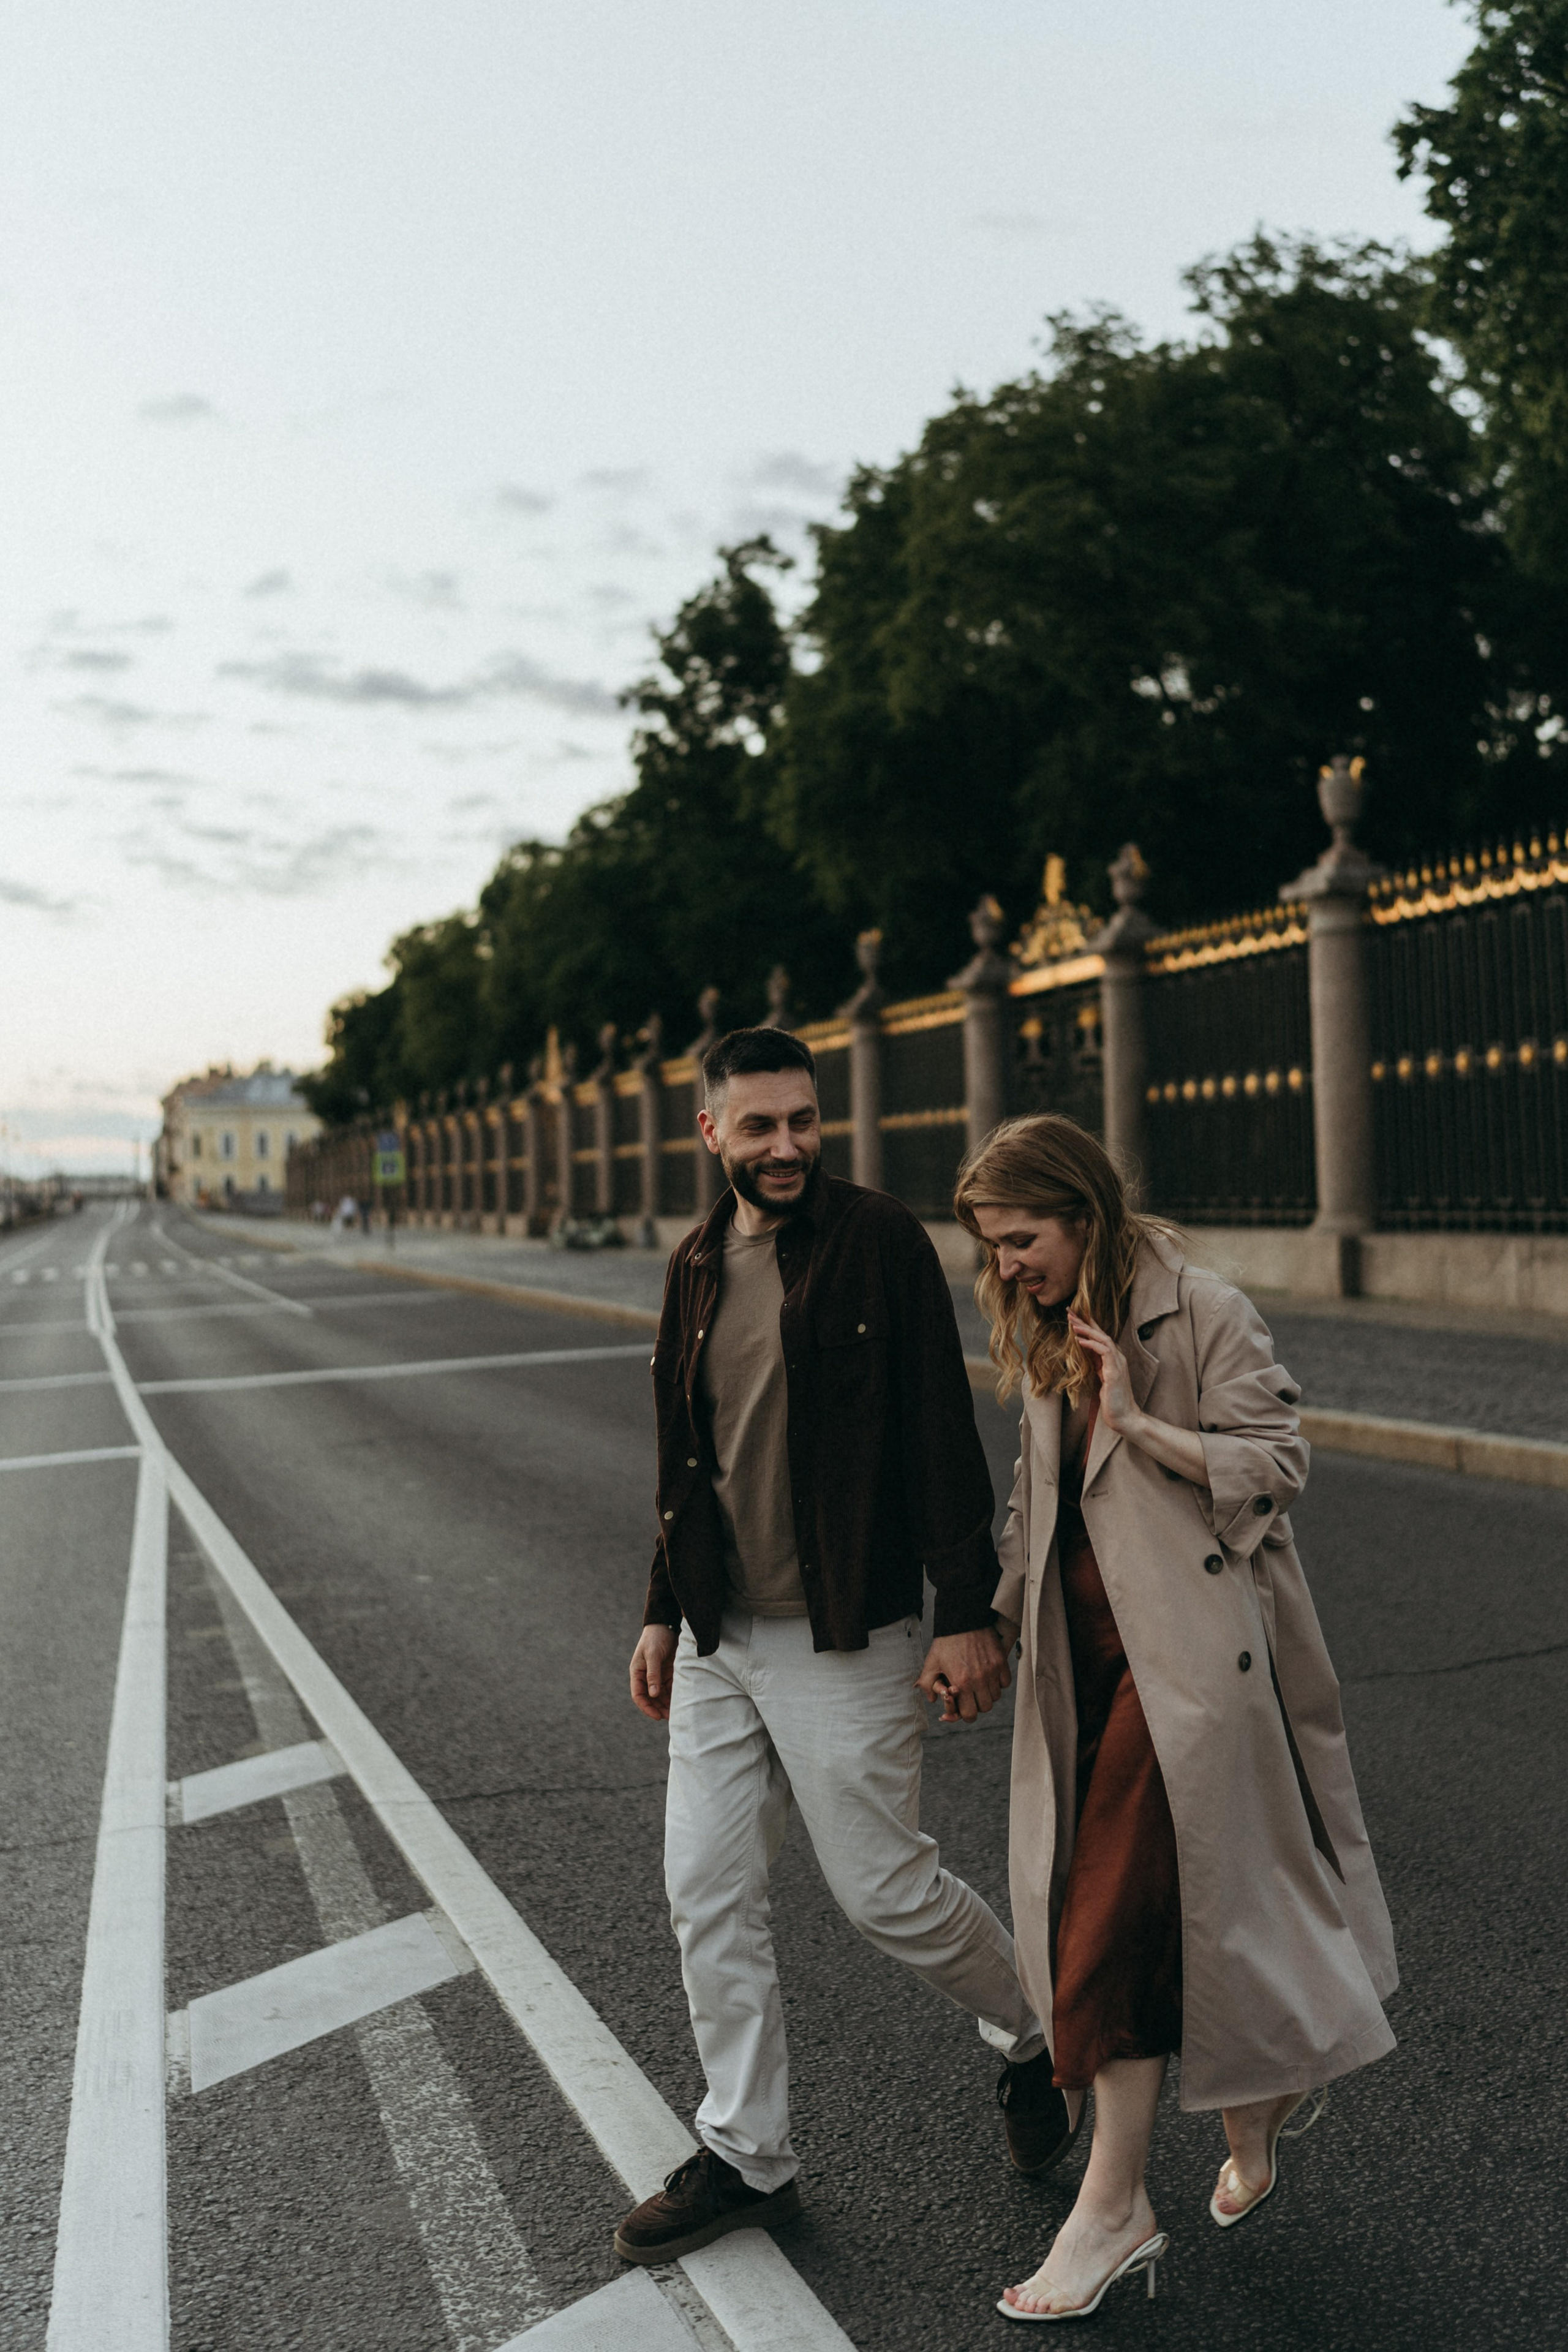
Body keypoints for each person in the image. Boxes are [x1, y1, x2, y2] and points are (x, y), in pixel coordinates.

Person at [618, 1027, 1066, 2266]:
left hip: (845, 1626)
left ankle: (1037, 2033)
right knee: (705, 1888)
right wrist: (661, 1608)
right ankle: (746, 2155)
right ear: (708, 1133)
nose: (784, 1147)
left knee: (885, 1893)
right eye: (756, 1126)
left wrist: (966, 1610)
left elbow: (936, 1423)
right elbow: (681, 1457)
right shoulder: (694, 1263)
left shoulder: (873, 1240)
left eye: (801, 1121)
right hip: (719, 1635)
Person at [951, 1114, 1397, 2322]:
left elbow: (1278, 1457)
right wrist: (989, 1622)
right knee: (1160, 1916)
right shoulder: (1048, 1324)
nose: (1005, 1266)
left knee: (1099, 1925)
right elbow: (1029, 1500)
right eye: (990, 1246)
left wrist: (1141, 1424)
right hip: (1084, 1668)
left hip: (1189, 1670)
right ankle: (1261, 2091)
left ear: (1082, 1216)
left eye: (1021, 1238)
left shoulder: (1197, 1307)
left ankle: (1110, 2209)